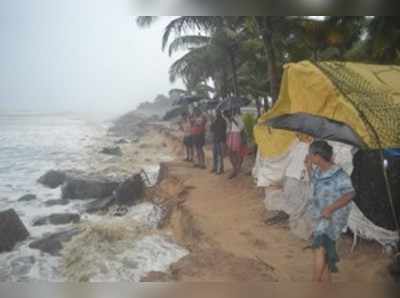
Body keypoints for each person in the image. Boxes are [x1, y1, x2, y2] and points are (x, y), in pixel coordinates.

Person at [304, 140, 355, 282]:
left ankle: (314, 284)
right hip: (320, 216)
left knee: (319, 246)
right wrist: (308, 168)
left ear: (318, 156)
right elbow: (314, 183)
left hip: (333, 217)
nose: (308, 156)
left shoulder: (339, 174)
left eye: (310, 154)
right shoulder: (319, 171)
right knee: (324, 254)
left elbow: (350, 194)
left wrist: (331, 208)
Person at [225, 108, 246, 179]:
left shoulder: (239, 117)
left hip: (237, 135)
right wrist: (229, 123)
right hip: (231, 135)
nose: (231, 112)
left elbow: (241, 127)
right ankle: (235, 168)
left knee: (237, 153)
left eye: (232, 110)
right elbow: (228, 129)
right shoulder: (230, 119)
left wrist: (233, 120)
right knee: (230, 153)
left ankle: (236, 170)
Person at [210, 110, 227, 174]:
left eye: (218, 113)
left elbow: (223, 130)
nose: (217, 114)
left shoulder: (223, 121)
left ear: (220, 114)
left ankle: (220, 169)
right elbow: (211, 129)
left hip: (220, 140)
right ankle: (215, 168)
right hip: (215, 140)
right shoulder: (215, 121)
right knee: (215, 155)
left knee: (220, 156)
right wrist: (212, 122)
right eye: (216, 113)